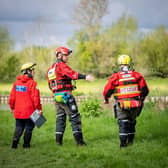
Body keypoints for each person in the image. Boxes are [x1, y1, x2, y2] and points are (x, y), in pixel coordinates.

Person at [47, 46, 94, 146]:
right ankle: (80, 143)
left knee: (60, 118)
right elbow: (72, 74)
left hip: (56, 98)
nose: (67, 57)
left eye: (68, 55)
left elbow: (50, 84)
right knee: (75, 117)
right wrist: (85, 77)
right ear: (59, 55)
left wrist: (55, 94)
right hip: (65, 96)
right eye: (66, 55)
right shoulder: (61, 65)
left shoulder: (51, 68)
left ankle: (58, 143)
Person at [103, 54, 149, 148]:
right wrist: (141, 99)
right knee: (132, 121)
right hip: (135, 104)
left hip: (122, 104)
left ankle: (123, 145)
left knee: (123, 122)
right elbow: (145, 90)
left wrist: (106, 99)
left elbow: (107, 91)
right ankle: (131, 142)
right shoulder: (137, 75)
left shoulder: (115, 76)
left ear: (119, 65)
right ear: (129, 64)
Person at [9, 62, 42, 149]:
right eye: (33, 70)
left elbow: (12, 97)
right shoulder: (32, 83)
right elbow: (36, 98)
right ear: (28, 71)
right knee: (29, 128)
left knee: (19, 127)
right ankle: (26, 146)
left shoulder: (16, 83)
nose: (34, 72)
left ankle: (14, 144)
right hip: (29, 112)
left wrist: (12, 107)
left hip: (18, 111)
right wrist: (39, 109)